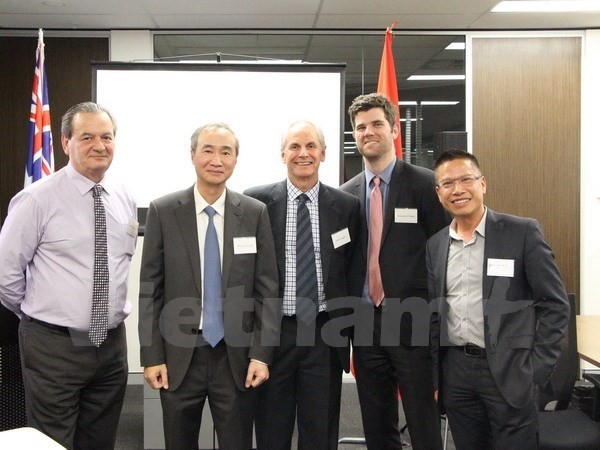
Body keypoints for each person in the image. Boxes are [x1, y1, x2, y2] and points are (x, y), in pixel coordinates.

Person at [0, 102, 137, 449]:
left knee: (101, 439)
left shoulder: (123, 197)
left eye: (107, 137)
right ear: (65, 143)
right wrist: (40, 316)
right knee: (52, 441)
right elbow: (6, 275)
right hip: (53, 346)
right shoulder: (36, 200)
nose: (99, 145)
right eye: (87, 137)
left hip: (110, 345)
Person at [139, 122, 280, 450]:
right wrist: (151, 355)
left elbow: (267, 290)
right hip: (178, 357)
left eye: (226, 152)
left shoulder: (255, 213)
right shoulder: (163, 211)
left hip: (236, 360)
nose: (217, 159)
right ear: (192, 156)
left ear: (235, 160)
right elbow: (150, 290)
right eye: (208, 150)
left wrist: (261, 354)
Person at [426, 149, 570, 449]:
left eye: (466, 179)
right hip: (457, 373)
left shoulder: (521, 232)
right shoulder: (436, 245)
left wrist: (535, 372)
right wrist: (438, 378)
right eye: (448, 184)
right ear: (439, 193)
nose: (458, 190)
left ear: (483, 184)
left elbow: (555, 305)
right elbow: (435, 315)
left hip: (510, 370)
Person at [340, 93, 449, 450]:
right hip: (366, 324)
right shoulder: (345, 195)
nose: (368, 132)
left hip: (413, 321)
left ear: (394, 129)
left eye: (376, 124)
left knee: (422, 420)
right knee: (376, 420)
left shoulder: (425, 185)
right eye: (360, 127)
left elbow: (445, 255)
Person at [245, 121, 360, 449]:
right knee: (271, 428)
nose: (303, 153)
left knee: (320, 431)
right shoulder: (256, 204)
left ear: (323, 153)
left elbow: (352, 271)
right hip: (273, 333)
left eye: (311, 146)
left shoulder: (347, 207)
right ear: (283, 154)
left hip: (324, 333)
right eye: (294, 146)